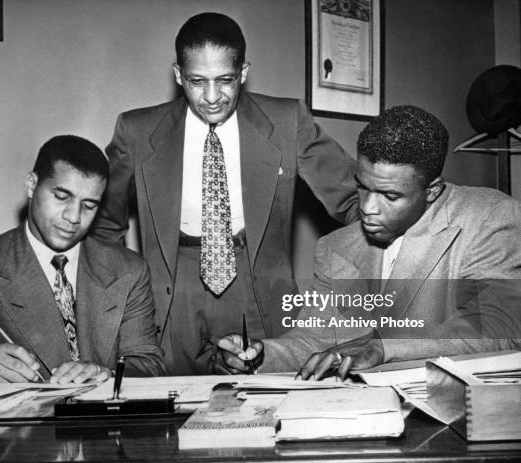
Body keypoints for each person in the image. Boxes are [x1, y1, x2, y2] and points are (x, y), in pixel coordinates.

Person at [91, 12, 359, 375]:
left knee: (266, 412)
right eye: (197, 82)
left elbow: (355, 202)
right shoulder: (137, 130)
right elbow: (103, 224)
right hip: (171, 290)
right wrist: (121, 301)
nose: (212, 97)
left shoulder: (287, 121)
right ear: (177, 75)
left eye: (226, 81)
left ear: (244, 73)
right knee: (169, 417)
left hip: (258, 285)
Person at [218, 105, 521, 377]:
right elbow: (316, 337)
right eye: (363, 187)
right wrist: (260, 355)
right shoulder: (336, 248)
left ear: (432, 191)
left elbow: (495, 326)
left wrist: (381, 348)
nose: (367, 208)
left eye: (390, 196)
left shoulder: (490, 217)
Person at [0, 135, 165, 385]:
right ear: (31, 185)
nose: (74, 217)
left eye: (89, 206)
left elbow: (148, 364)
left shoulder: (129, 270)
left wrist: (105, 374)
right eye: (62, 197)